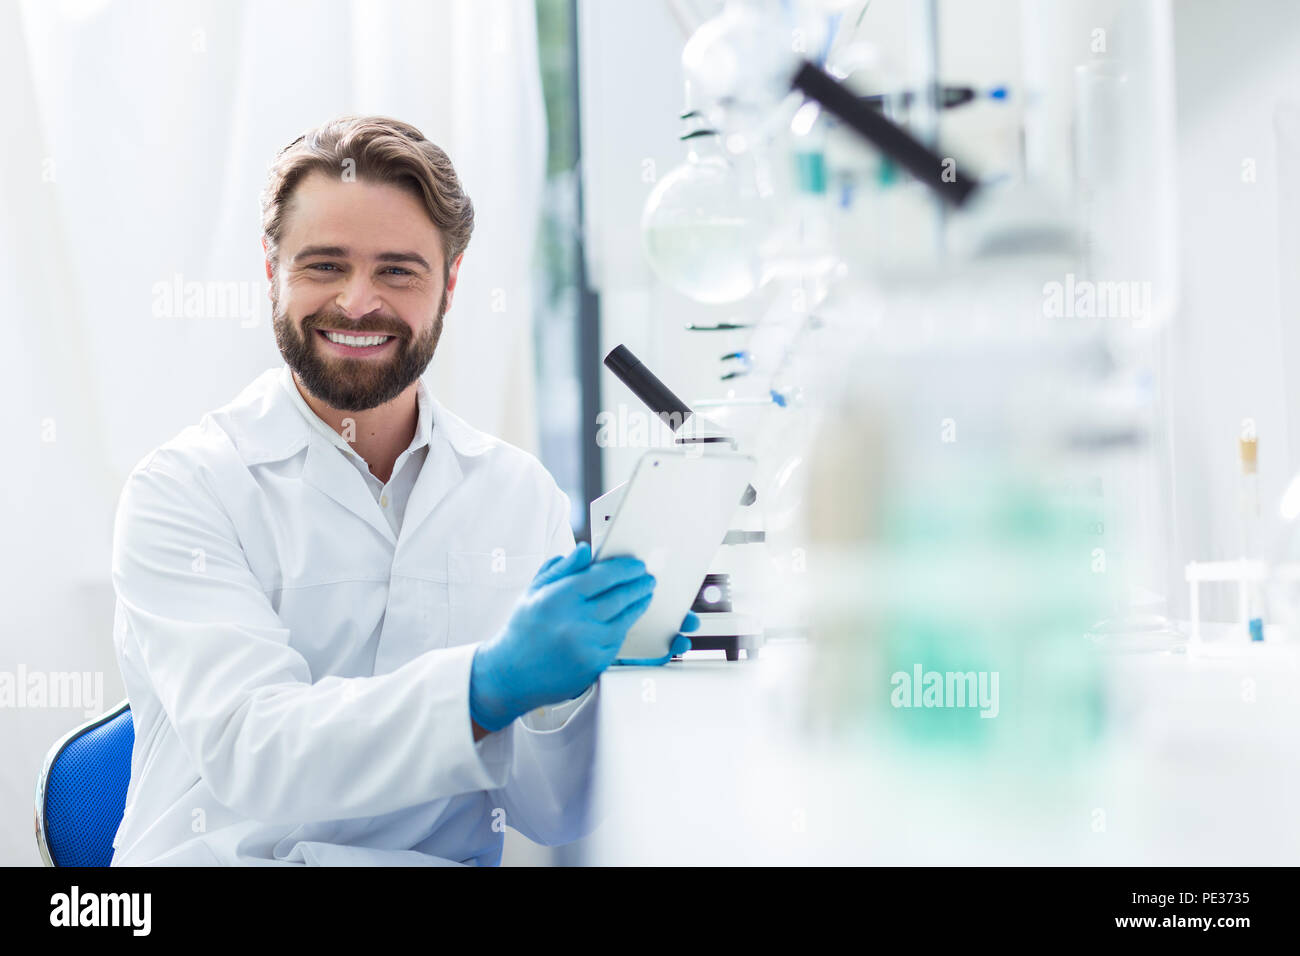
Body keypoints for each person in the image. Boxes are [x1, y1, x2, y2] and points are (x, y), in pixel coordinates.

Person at [108, 115, 695, 866]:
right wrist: (484, 686)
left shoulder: (518, 495)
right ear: (271, 269)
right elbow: (257, 750)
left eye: (397, 271)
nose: (358, 303)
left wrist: (578, 691)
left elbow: (551, 815)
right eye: (324, 265)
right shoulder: (184, 490)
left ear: (450, 283)